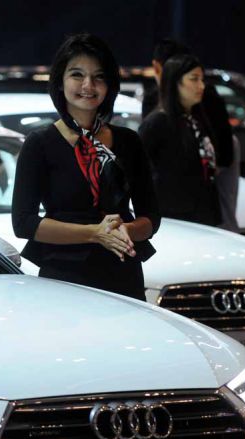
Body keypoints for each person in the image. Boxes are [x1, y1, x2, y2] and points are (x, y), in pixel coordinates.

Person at [12, 33, 160, 301]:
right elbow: (24, 223)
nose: (88, 85)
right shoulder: (40, 143)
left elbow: (151, 217)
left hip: (123, 271)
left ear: (110, 85)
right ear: (60, 81)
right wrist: (94, 234)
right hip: (65, 276)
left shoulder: (129, 141)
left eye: (99, 77)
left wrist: (126, 230)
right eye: (77, 75)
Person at [141, 39, 238, 230]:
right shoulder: (157, 122)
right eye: (194, 79)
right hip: (175, 219)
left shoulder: (194, 119)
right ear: (175, 82)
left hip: (203, 215)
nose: (201, 86)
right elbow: (136, 168)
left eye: (202, 79)